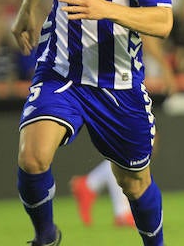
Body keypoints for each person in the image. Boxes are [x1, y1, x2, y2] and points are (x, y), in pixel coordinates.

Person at [11, 0, 173, 246]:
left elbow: (163, 22)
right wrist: (29, 5)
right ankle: (46, 236)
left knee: (134, 183)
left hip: (115, 83)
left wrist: (106, 9)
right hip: (61, 69)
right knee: (32, 157)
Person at [70, 35, 176, 229]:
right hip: (117, 79)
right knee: (133, 146)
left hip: (112, 74)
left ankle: (90, 185)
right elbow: (145, 35)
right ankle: (119, 209)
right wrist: (165, 66)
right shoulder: (130, 7)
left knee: (136, 145)